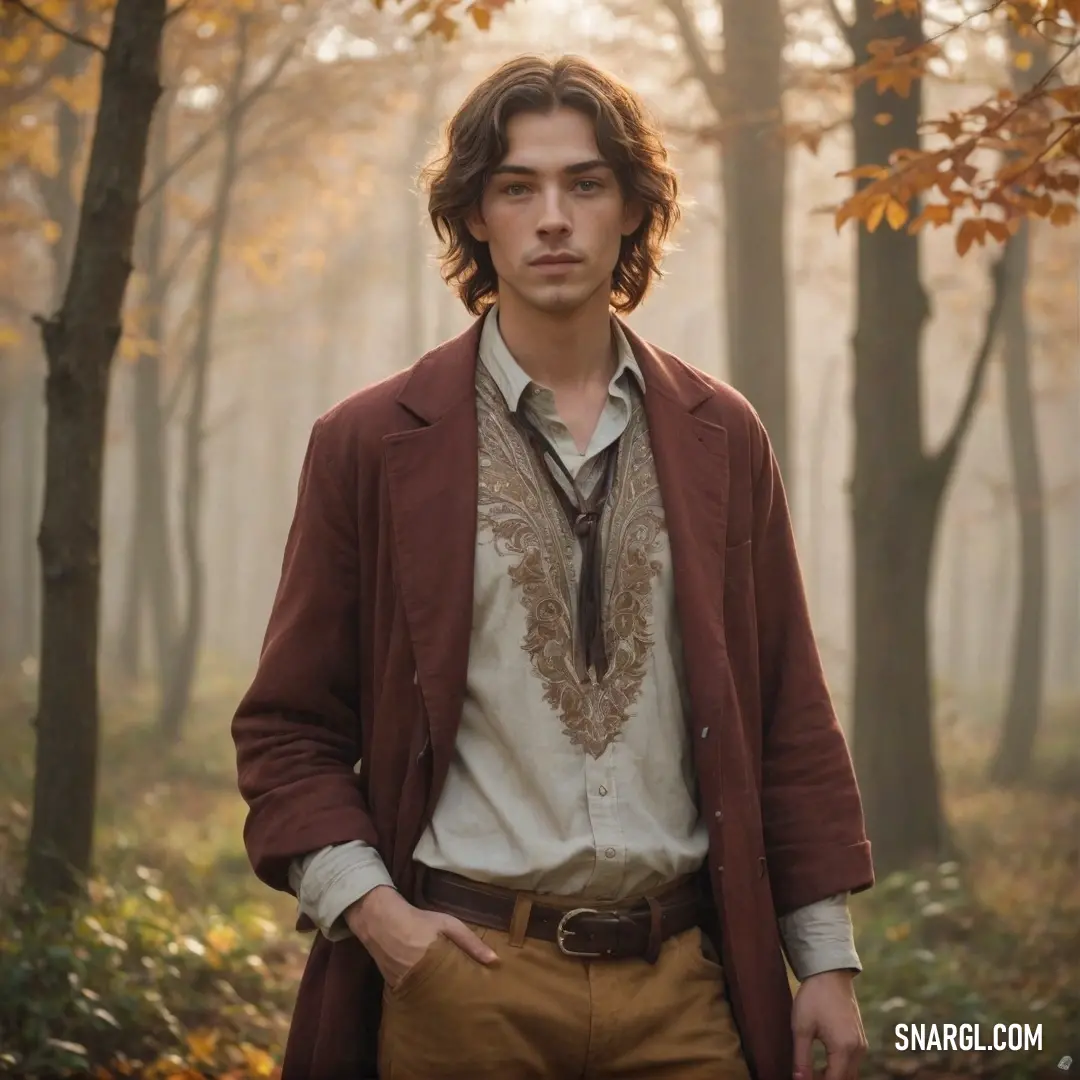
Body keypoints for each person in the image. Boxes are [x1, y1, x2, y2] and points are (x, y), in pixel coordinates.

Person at [232, 53, 874, 1080]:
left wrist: (827, 958)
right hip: (462, 984)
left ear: (632, 207)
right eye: (517, 187)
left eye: (585, 183)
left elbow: (787, 707)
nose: (553, 217)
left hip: (681, 988)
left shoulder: (721, 435)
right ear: (475, 216)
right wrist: (375, 913)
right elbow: (290, 728)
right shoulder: (370, 442)